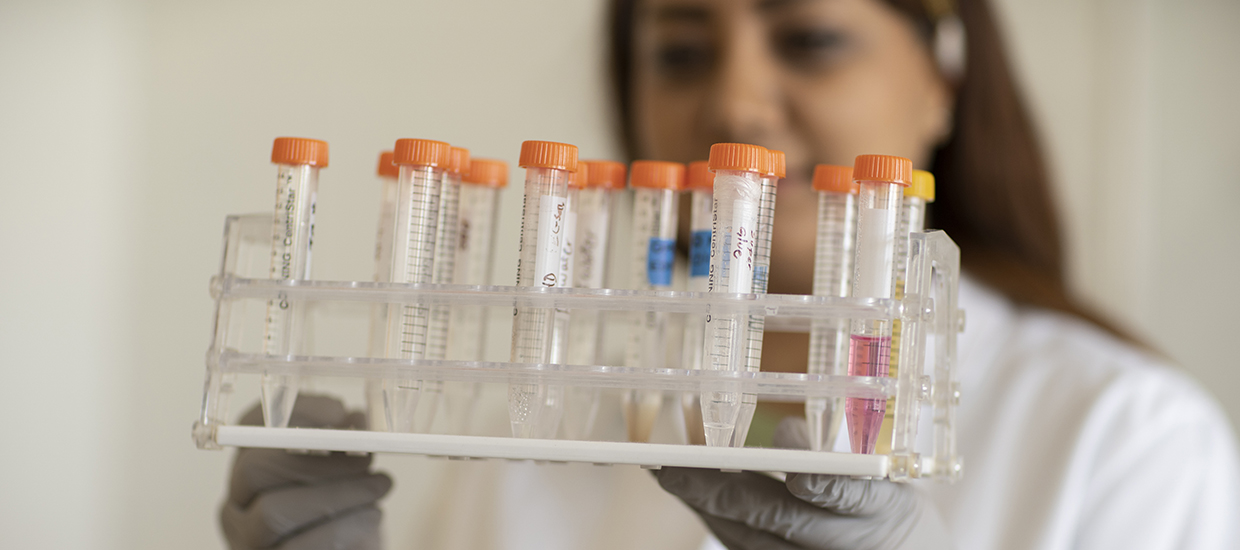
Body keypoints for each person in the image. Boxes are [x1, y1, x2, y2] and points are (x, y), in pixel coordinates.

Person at [218, 0, 1240, 548]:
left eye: (810, 39)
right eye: (679, 51)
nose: (738, 105)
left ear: (942, 76)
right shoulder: (532, 432)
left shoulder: (1127, 438)